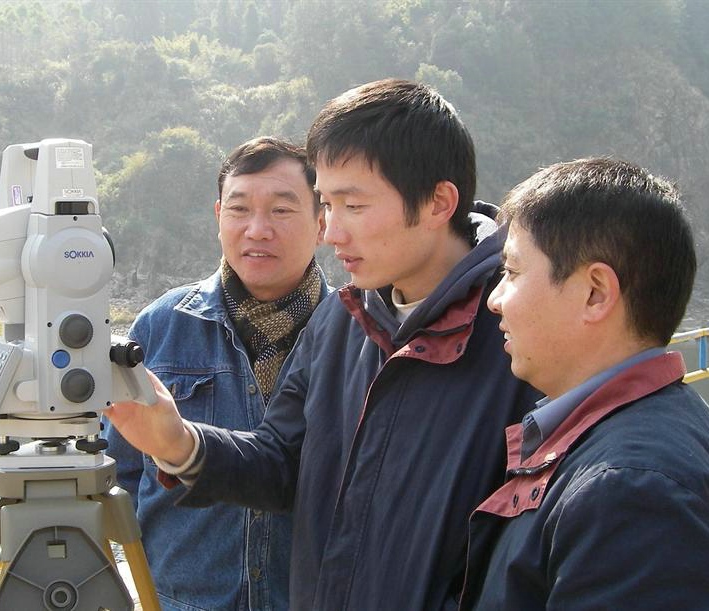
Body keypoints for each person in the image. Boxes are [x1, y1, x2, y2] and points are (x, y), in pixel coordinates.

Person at [106, 79, 539, 610]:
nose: (332, 233)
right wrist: (178, 443)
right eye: (329, 205)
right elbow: (281, 462)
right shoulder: (342, 321)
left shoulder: (520, 332)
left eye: (352, 205)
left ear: (438, 202)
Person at [459, 158, 709, 609]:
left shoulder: (630, 490)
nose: (495, 299)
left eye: (512, 272)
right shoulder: (644, 446)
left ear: (595, 293)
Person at [103, 136, 330, 611]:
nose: (257, 230)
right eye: (239, 209)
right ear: (218, 217)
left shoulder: (355, 334)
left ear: (321, 221)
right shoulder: (161, 326)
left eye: (281, 210)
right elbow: (120, 474)